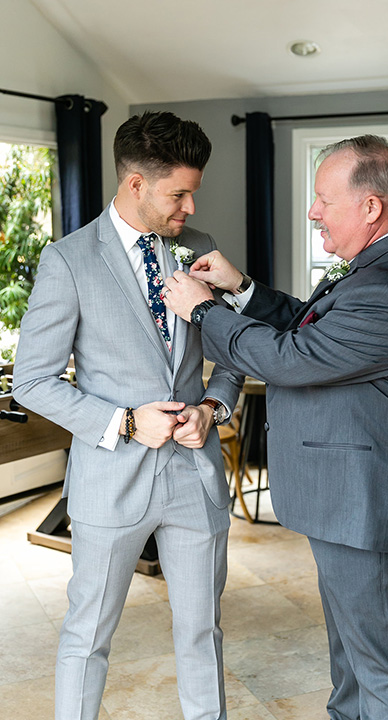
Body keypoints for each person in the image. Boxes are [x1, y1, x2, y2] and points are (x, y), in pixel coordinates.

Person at [161, 135, 388, 720]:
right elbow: (312, 329)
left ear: (371, 207)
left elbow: (289, 359)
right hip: (354, 503)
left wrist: (202, 310)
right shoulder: (380, 265)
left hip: (371, 505)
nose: (313, 211)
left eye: (323, 198)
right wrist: (242, 291)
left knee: (386, 668)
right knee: (353, 657)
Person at [13, 111, 243, 720]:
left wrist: (213, 407)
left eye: (194, 191)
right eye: (179, 193)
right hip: (111, 482)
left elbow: (231, 356)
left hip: (195, 479)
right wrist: (122, 421)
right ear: (136, 184)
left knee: (203, 634)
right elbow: (33, 380)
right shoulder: (68, 260)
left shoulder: (198, 250)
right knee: (87, 637)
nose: (191, 207)